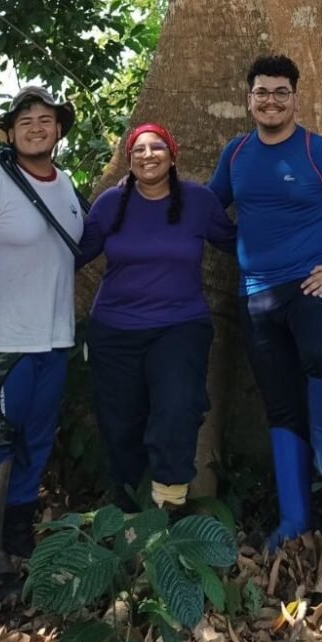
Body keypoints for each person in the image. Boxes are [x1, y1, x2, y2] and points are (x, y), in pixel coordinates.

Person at [209, 54, 322, 550]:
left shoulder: (317, 152)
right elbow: (209, 206)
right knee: (280, 404)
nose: (270, 101)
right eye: (261, 92)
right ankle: (294, 519)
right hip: (256, 295)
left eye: (280, 92)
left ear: (295, 98)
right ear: (249, 99)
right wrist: (235, 243)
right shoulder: (236, 154)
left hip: (313, 285)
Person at [78, 123, 236, 512]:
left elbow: (239, 243)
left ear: (172, 155)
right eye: (139, 150)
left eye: (157, 147)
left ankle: (169, 511)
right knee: (120, 425)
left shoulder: (199, 201)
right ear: (128, 161)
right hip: (114, 330)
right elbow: (73, 255)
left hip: (180, 326)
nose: (148, 155)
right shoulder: (110, 205)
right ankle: (130, 516)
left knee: (177, 410)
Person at [0, 86, 83, 583]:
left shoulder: (68, 188)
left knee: (36, 440)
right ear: (11, 134)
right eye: (26, 121)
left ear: (58, 130)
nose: (37, 127)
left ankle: (16, 539)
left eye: (46, 119)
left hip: (55, 339)